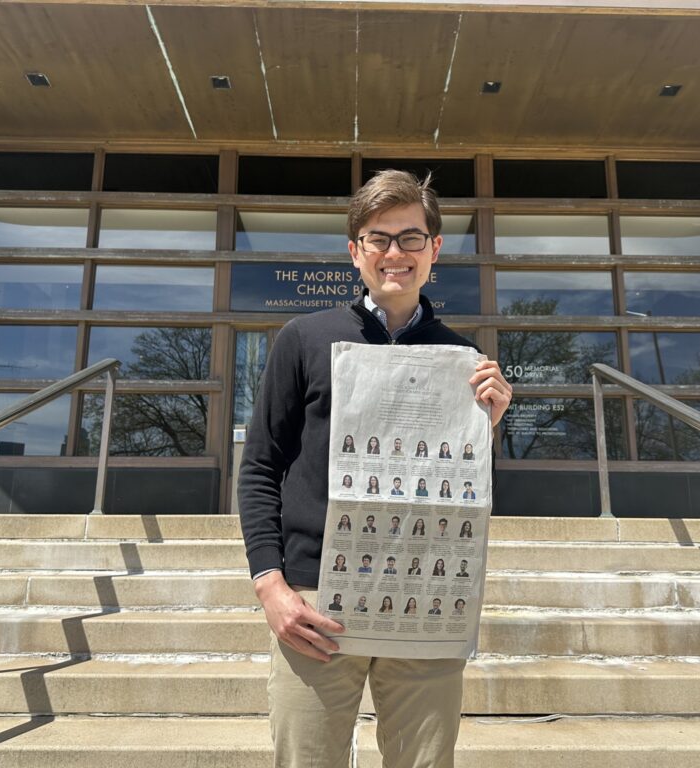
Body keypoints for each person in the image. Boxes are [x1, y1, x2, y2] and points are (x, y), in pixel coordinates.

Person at [238, 170, 513, 768]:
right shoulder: (303, 339)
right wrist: (270, 586)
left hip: (428, 595)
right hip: (315, 599)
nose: (396, 253)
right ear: (354, 250)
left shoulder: (464, 359)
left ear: (435, 250)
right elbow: (260, 466)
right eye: (378, 238)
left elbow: (461, 491)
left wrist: (483, 430)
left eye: (411, 238)